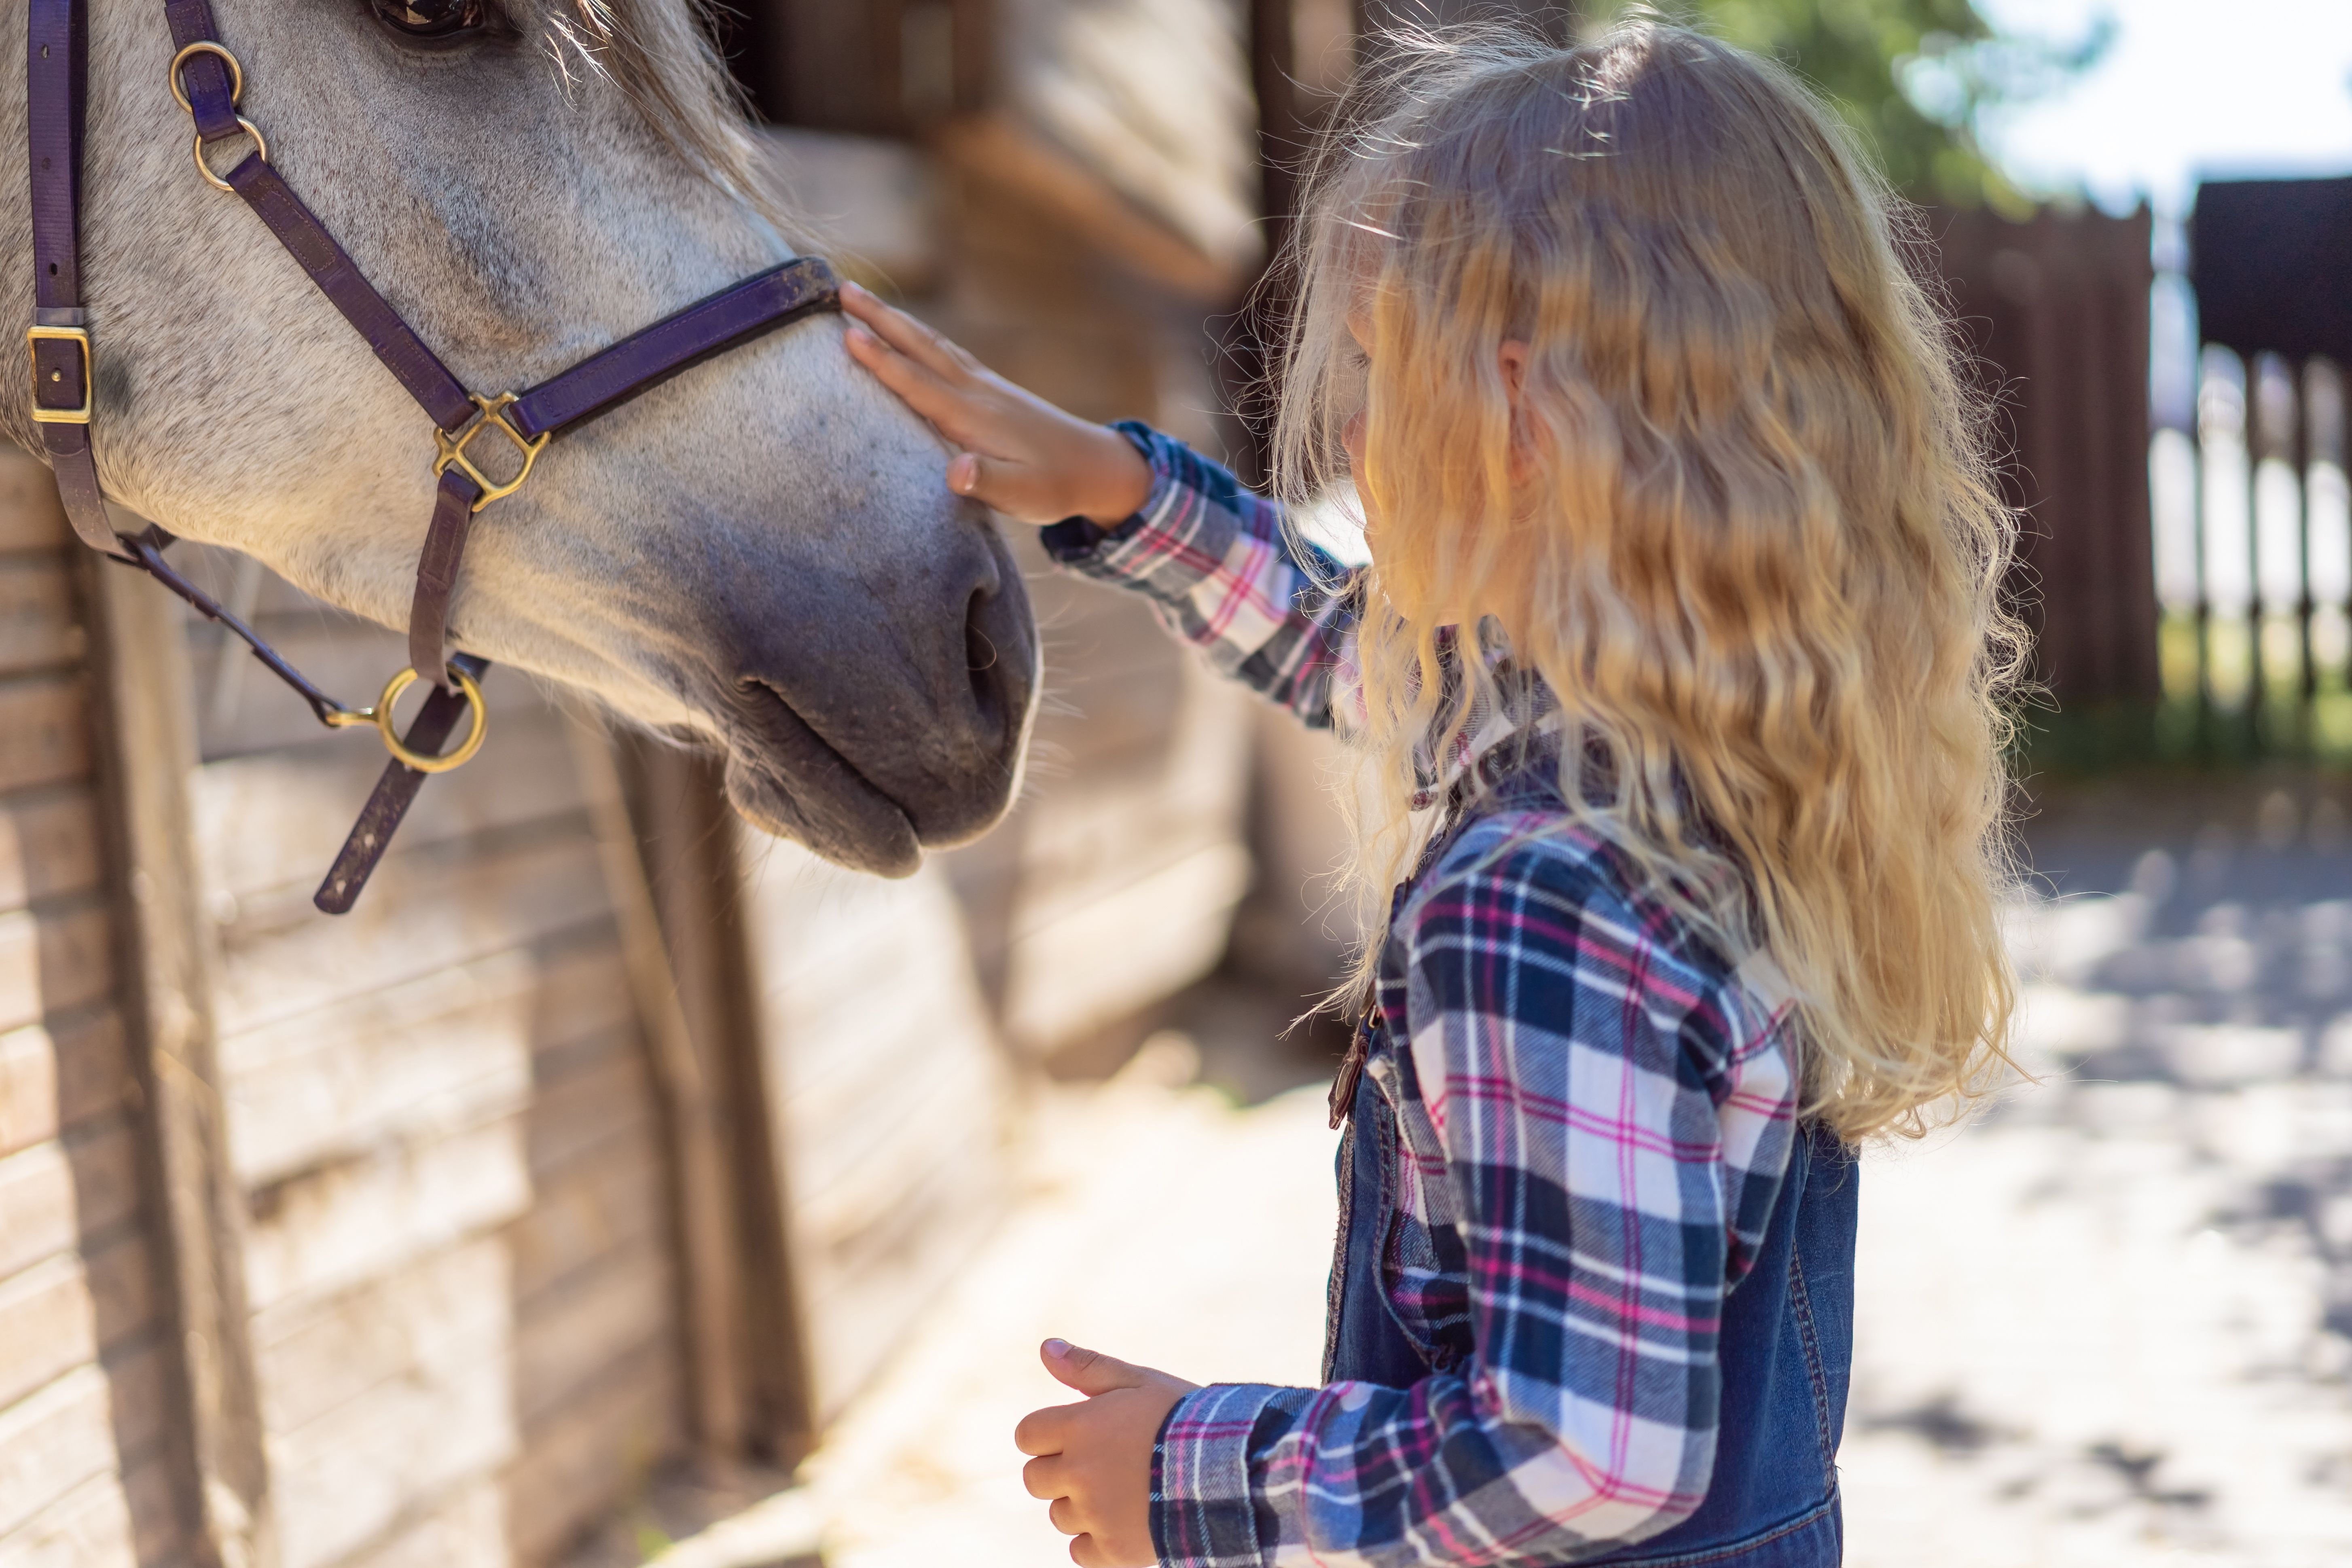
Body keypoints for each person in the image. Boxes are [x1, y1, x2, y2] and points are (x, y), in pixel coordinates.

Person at [839, 19, 2020, 1568]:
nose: (1355, 439)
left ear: (1518, 412)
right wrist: (1127, 496)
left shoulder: (1540, 894)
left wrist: (1188, 1474)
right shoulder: (1726, 766)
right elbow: (1368, 654)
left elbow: (1580, 1452)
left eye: (1386, 378)